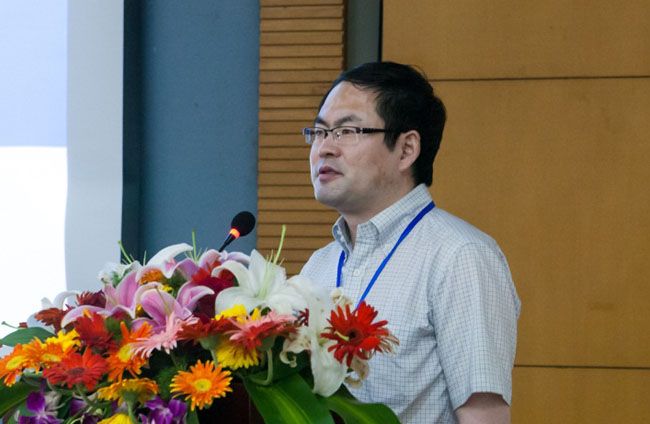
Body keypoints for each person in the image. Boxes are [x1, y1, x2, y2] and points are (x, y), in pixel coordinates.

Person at [300, 62, 521, 424]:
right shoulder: (318, 266)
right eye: (320, 132)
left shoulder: (460, 257)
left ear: (406, 149)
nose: (325, 148)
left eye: (346, 131)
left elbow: (484, 413)